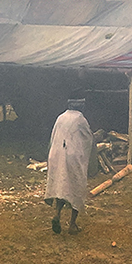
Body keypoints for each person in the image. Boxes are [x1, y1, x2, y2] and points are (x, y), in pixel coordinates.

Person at [45, 99, 94, 234]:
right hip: (72, 157)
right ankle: (72, 224)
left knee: (61, 186)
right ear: (81, 106)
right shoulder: (80, 120)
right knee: (77, 186)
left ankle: (57, 214)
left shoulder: (60, 117)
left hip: (56, 155)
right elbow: (88, 139)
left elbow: (53, 137)